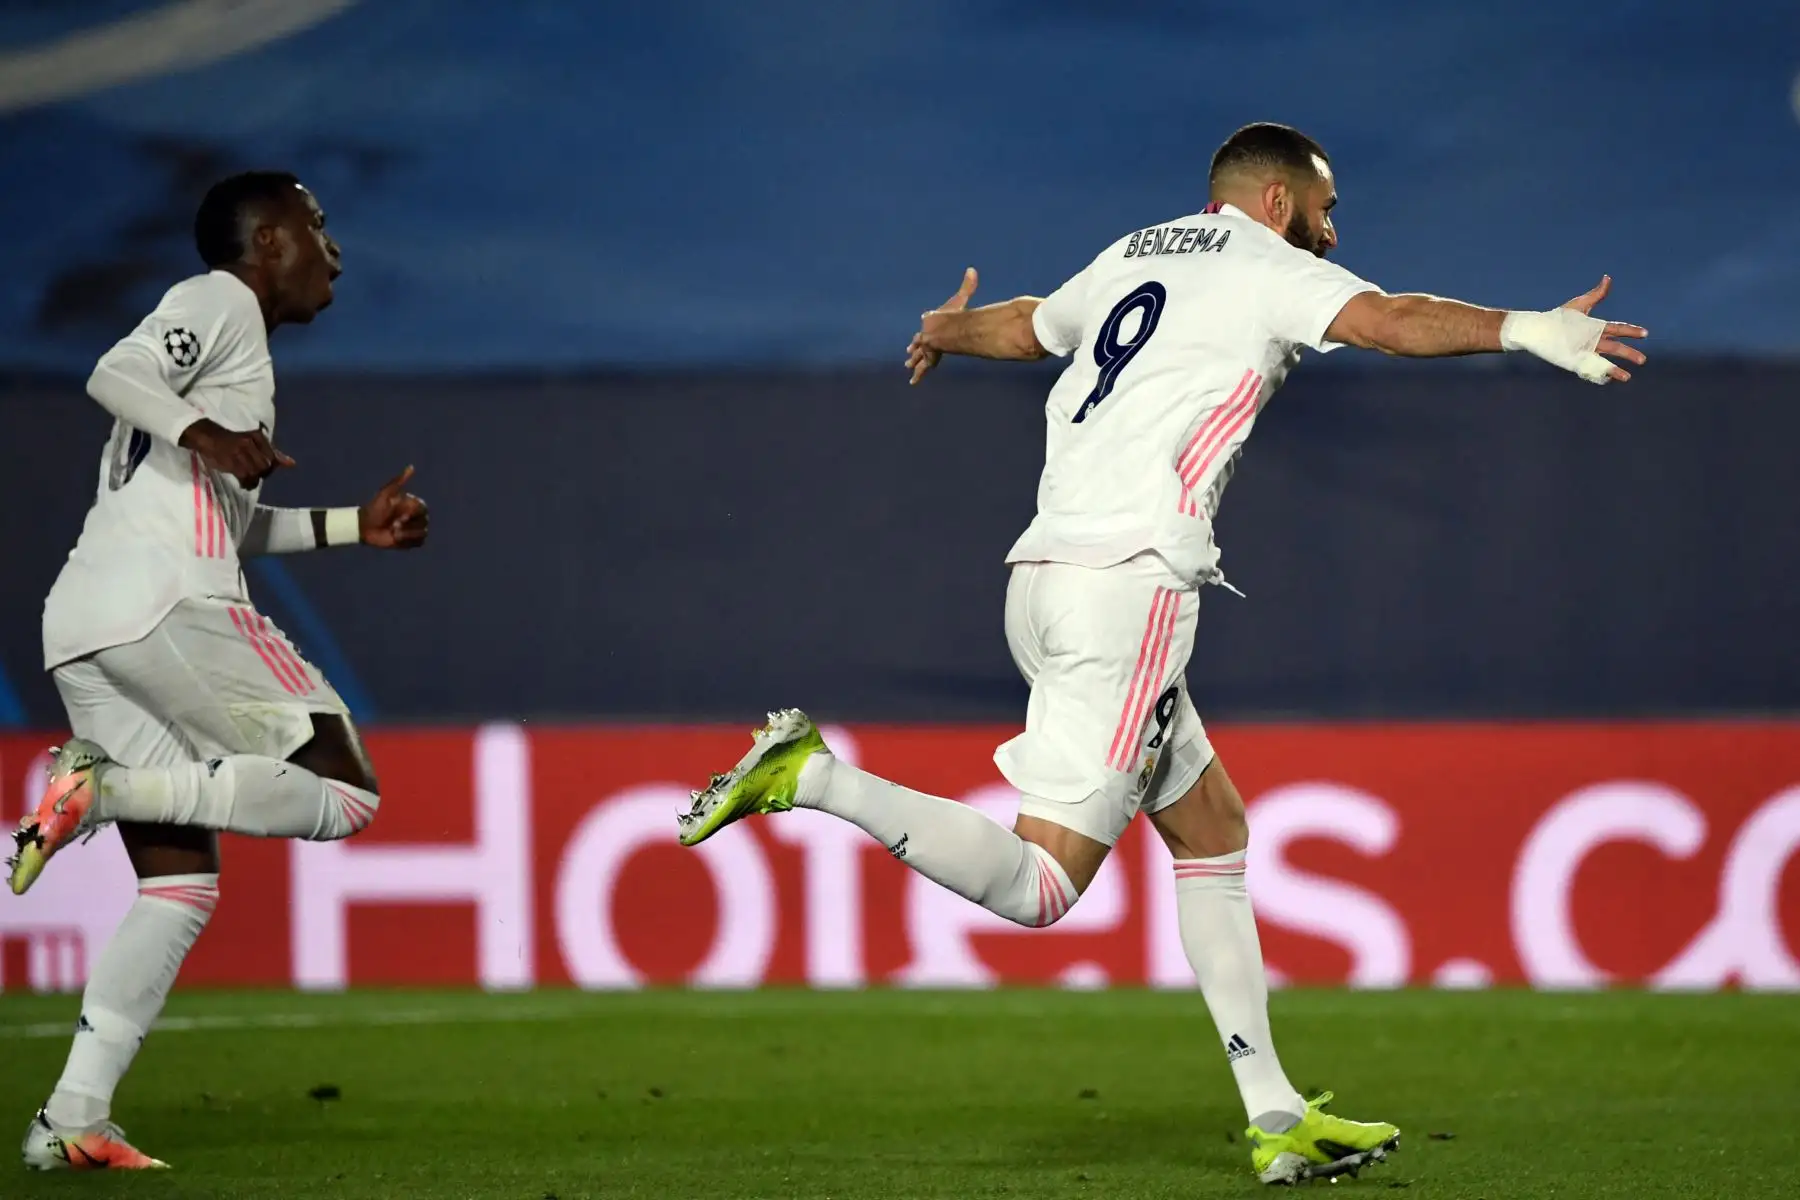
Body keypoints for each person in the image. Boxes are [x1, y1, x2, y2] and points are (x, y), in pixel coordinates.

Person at [676, 122, 1647, 1184]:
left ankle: (1277, 1115)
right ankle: (813, 776)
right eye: (1326, 206)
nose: (1334, 228)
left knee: (1212, 827)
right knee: (1041, 888)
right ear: (1276, 201)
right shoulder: (1268, 266)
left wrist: (947, 330)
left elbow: (1026, 330)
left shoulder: (1134, 252)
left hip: (1043, 577)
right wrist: (1528, 330)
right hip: (1128, 591)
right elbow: (1395, 321)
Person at [8, 171, 429, 1172]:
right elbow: (112, 370)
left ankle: (71, 1118)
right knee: (344, 788)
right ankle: (102, 791)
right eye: (319, 229)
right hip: (170, 603)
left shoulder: (228, 361)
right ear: (269, 240)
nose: (335, 250)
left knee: (179, 885)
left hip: (89, 616)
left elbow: (231, 515)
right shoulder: (218, 301)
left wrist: (349, 527)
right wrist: (205, 429)